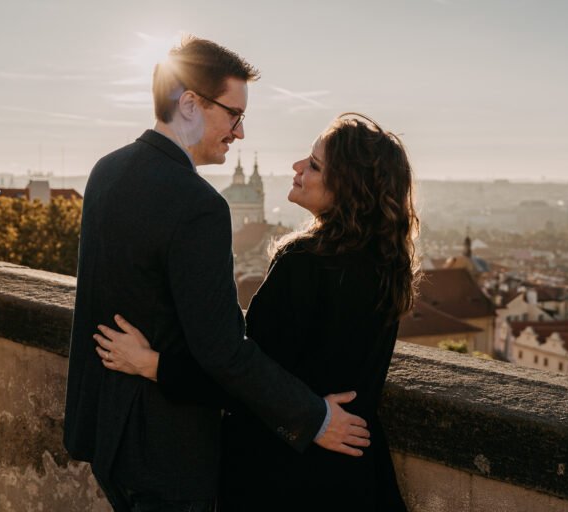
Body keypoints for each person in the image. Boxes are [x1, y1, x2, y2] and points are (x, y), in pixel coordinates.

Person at [63, 35, 371, 512]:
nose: (239, 132)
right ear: (189, 104)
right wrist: (314, 417)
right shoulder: (199, 204)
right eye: (234, 115)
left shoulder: (107, 169)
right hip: (168, 452)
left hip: (107, 433)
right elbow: (222, 350)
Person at [95, 112, 419, 511]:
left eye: (314, 165)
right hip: (356, 475)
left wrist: (153, 365)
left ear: (348, 187)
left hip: (283, 476)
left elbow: (245, 376)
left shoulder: (304, 263)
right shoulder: (388, 264)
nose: (298, 167)